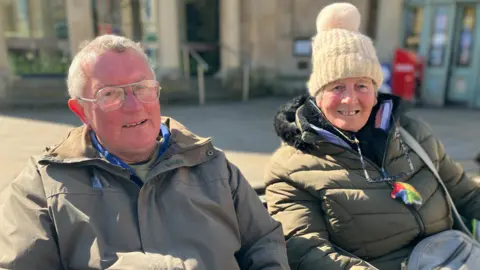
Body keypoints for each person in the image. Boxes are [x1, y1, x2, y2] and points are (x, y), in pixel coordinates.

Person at [0, 35, 289, 270]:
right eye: (110, 94)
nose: (134, 106)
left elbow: (264, 243)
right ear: (81, 110)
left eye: (142, 88)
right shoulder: (40, 187)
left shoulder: (213, 166)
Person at [264, 3, 480, 270]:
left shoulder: (413, 134)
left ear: (376, 91)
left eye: (362, 85)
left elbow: (467, 195)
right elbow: (304, 249)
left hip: (456, 257)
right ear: (317, 97)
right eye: (337, 86)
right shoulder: (292, 167)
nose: (350, 98)